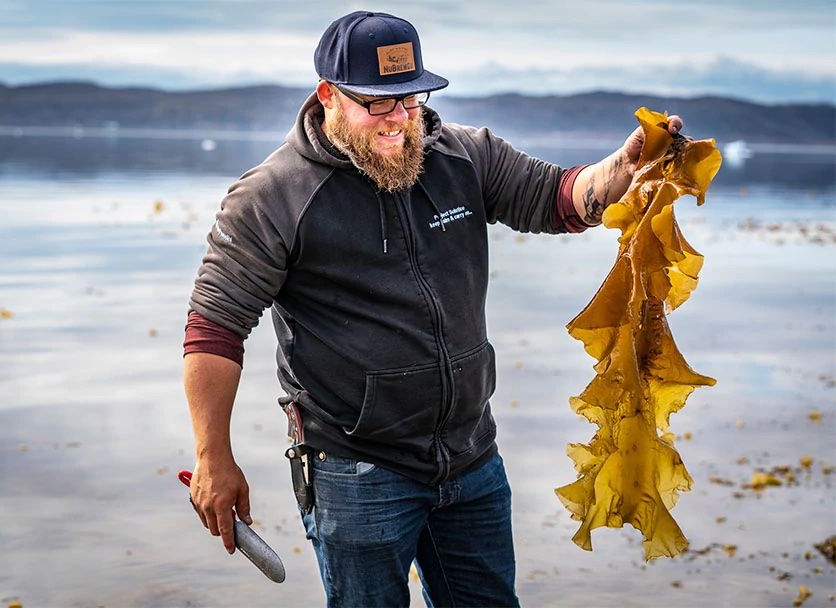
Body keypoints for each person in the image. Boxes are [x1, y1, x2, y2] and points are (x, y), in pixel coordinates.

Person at [183, 10, 683, 607]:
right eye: (377, 103)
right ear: (328, 96)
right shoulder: (273, 196)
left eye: (410, 98)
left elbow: (558, 198)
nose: (398, 118)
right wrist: (213, 457)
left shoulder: (465, 157)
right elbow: (214, 329)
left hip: (470, 457)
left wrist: (625, 167)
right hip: (355, 469)